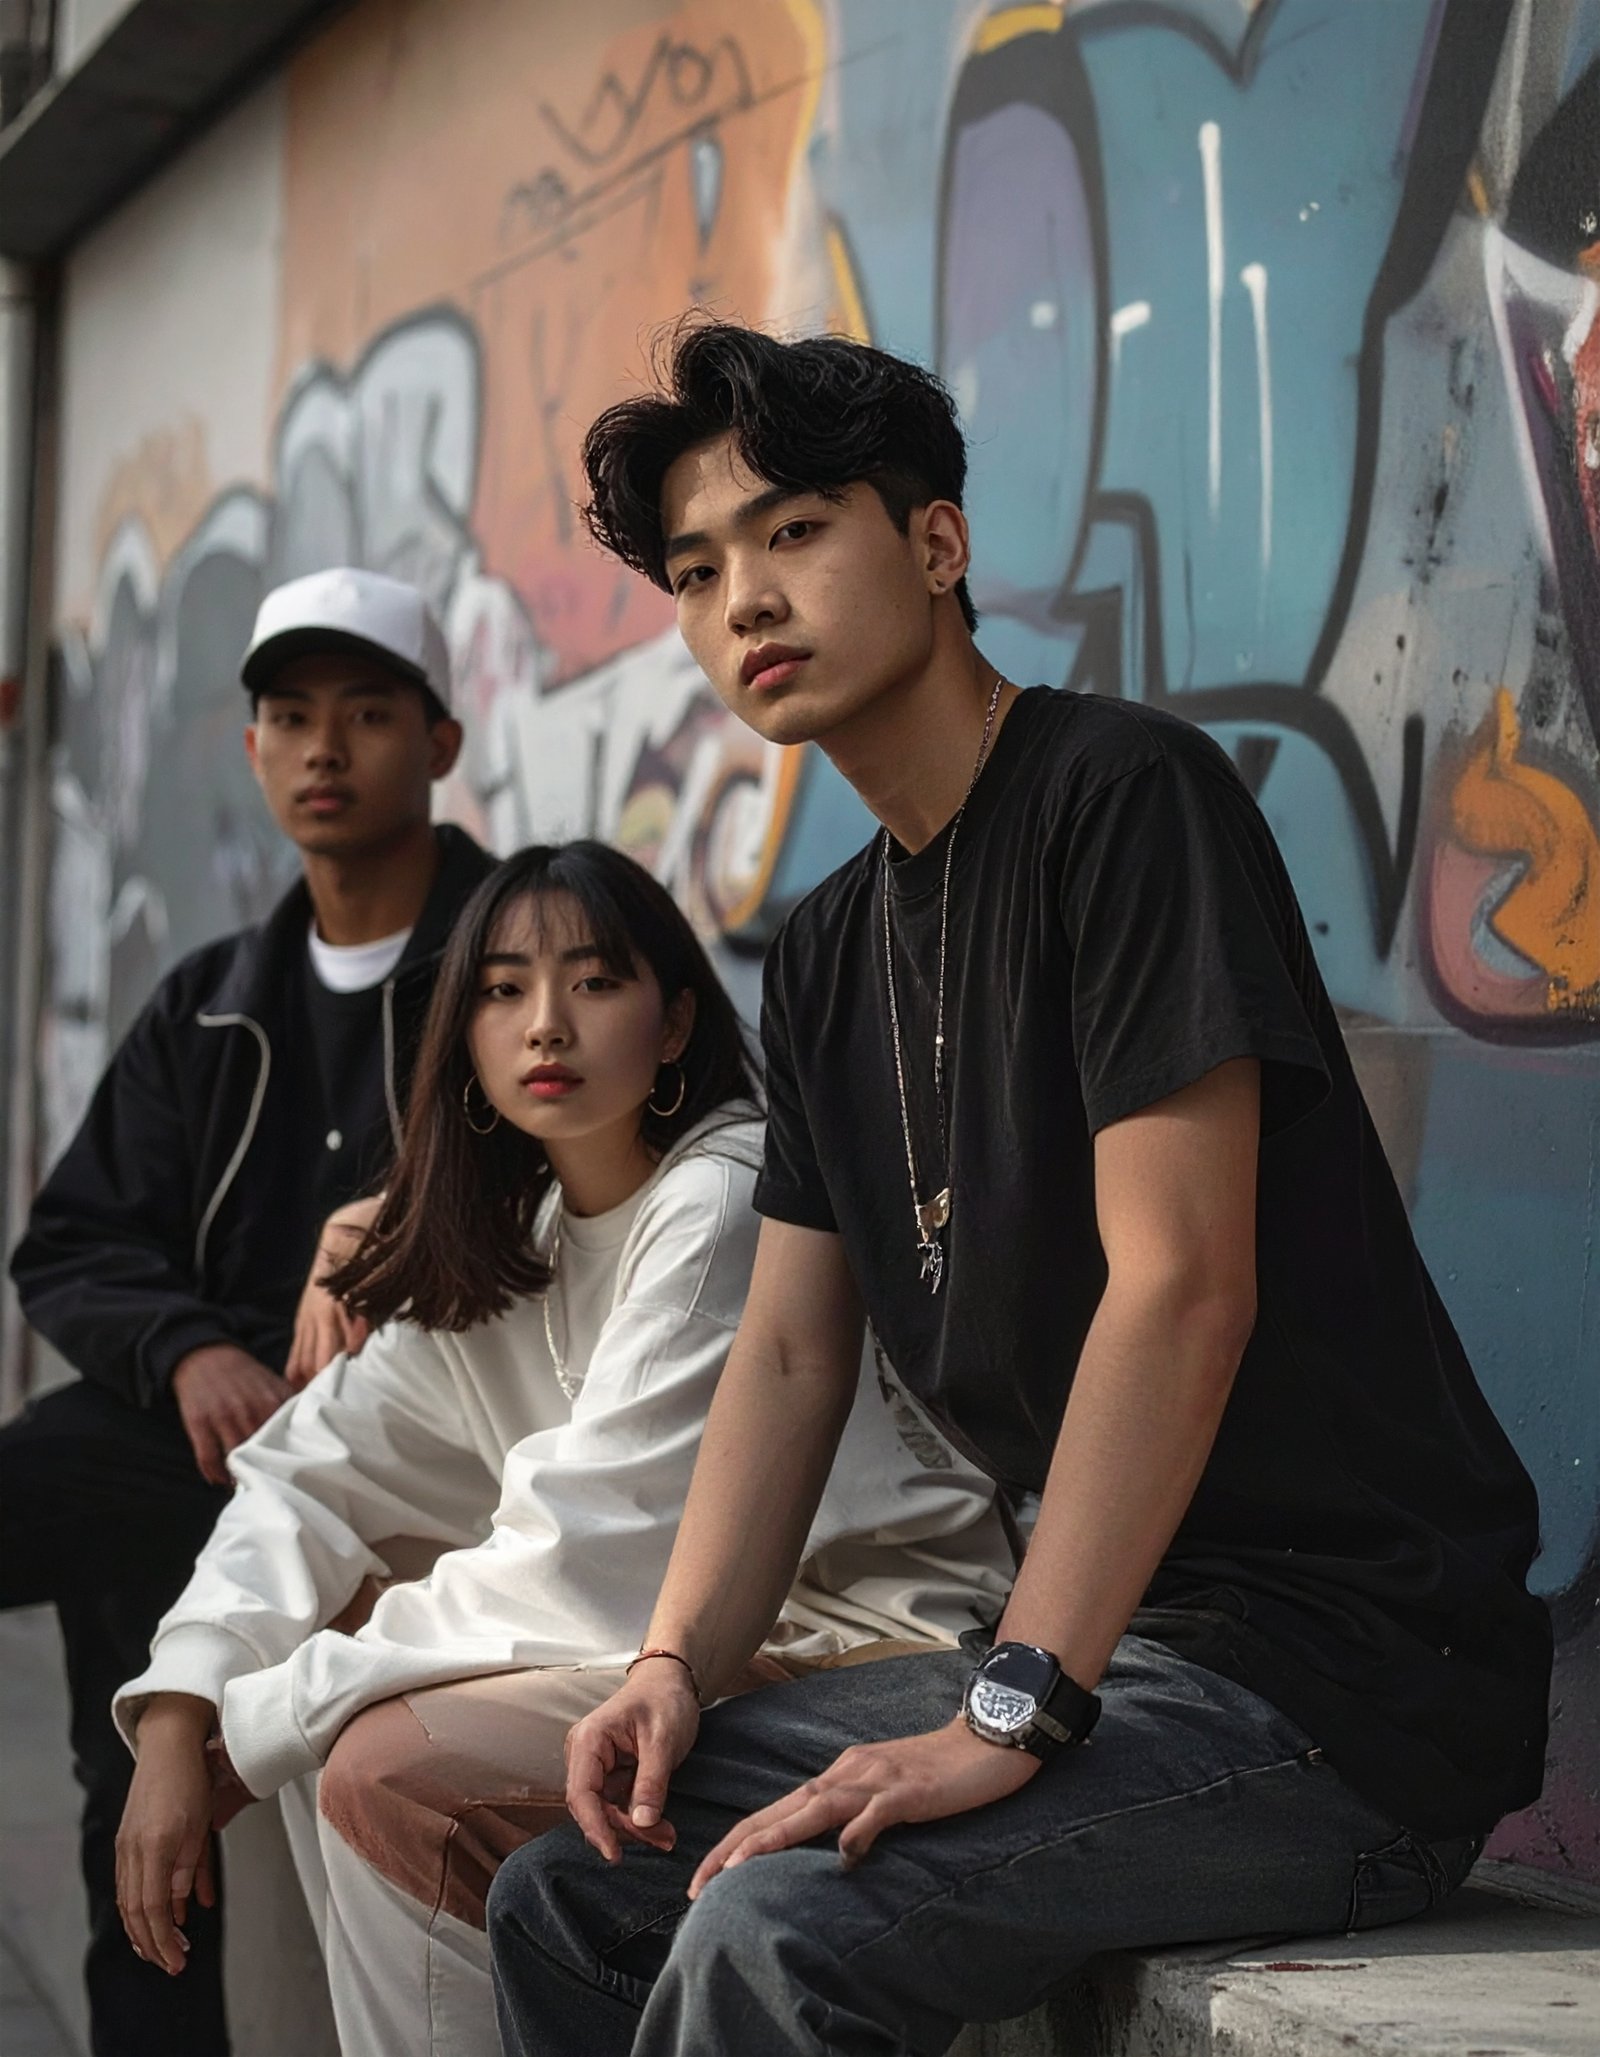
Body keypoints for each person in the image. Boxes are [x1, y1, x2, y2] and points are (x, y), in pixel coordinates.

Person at [484, 323, 1554, 2057]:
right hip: (1124, 1657)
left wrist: (1014, 1706)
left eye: (793, 531)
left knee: (775, 1927)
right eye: (696, 571)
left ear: (937, 544)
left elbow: (1183, 1287)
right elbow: (787, 1358)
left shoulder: (1123, 802)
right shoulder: (824, 952)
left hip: (1340, 1686)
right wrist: (672, 1662)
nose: (745, 599)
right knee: (574, 1891)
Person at [110, 838, 1013, 2057]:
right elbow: (307, 1474)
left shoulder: (725, 1196)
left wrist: (262, 1722)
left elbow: (583, 1549)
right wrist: (187, 1705)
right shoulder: (521, 1235)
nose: (546, 1022)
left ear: (675, 1021)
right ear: (465, 1040)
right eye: (503, 989)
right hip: (700, 1652)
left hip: (869, 1648)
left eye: (593, 981)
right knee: (336, 1679)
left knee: (371, 1758)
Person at [2, 566, 493, 2056]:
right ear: (252, 748)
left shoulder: (514, 959)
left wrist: (395, 1233)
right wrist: (191, 1348)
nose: (323, 747)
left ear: (440, 740)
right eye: (290, 715)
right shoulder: (212, 1001)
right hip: (205, 1446)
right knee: (128, 1775)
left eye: (368, 713)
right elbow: (75, 1240)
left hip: (414, 1448)